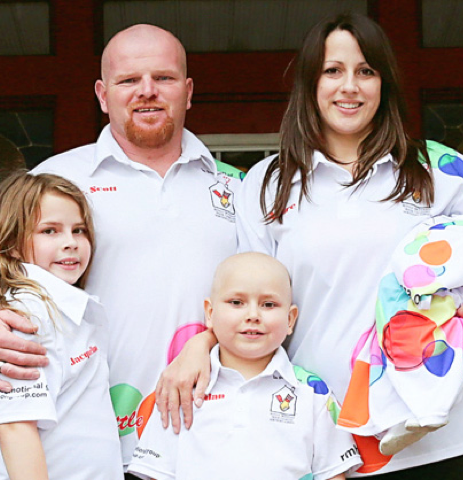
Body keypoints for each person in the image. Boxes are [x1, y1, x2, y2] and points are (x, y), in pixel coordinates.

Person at [157, 13, 463, 479]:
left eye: (366, 71)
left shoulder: (438, 170)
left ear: (385, 83)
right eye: (332, 71)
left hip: (436, 437)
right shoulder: (269, 184)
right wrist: (202, 343)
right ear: (310, 83)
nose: (350, 87)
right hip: (318, 433)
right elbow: (246, 294)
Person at [0, 24, 242, 476]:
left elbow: (268, 296)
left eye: (163, 78)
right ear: (103, 95)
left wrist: (207, 338)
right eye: (128, 81)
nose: (147, 92)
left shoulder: (236, 187)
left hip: (214, 437)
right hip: (90, 447)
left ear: (188, 90)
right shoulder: (56, 179)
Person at [128, 252, 361, 480]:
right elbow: (157, 472)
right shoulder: (182, 388)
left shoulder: (313, 392)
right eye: (236, 302)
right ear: (210, 313)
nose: (252, 315)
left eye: (268, 304)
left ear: (290, 319)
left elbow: (332, 474)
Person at [0, 171, 123, 480]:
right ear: (13, 243)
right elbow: (15, 427)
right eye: (50, 231)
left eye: (79, 230)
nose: (70, 243)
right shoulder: (27, 314)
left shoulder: (67, 307)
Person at [338, 215, 463, 456]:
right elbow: (413, 266)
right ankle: (400, 424)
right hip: (402, 311)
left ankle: (430, 412)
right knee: (387, 365)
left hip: (434, 313)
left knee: (446, 360)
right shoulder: (436, 228)